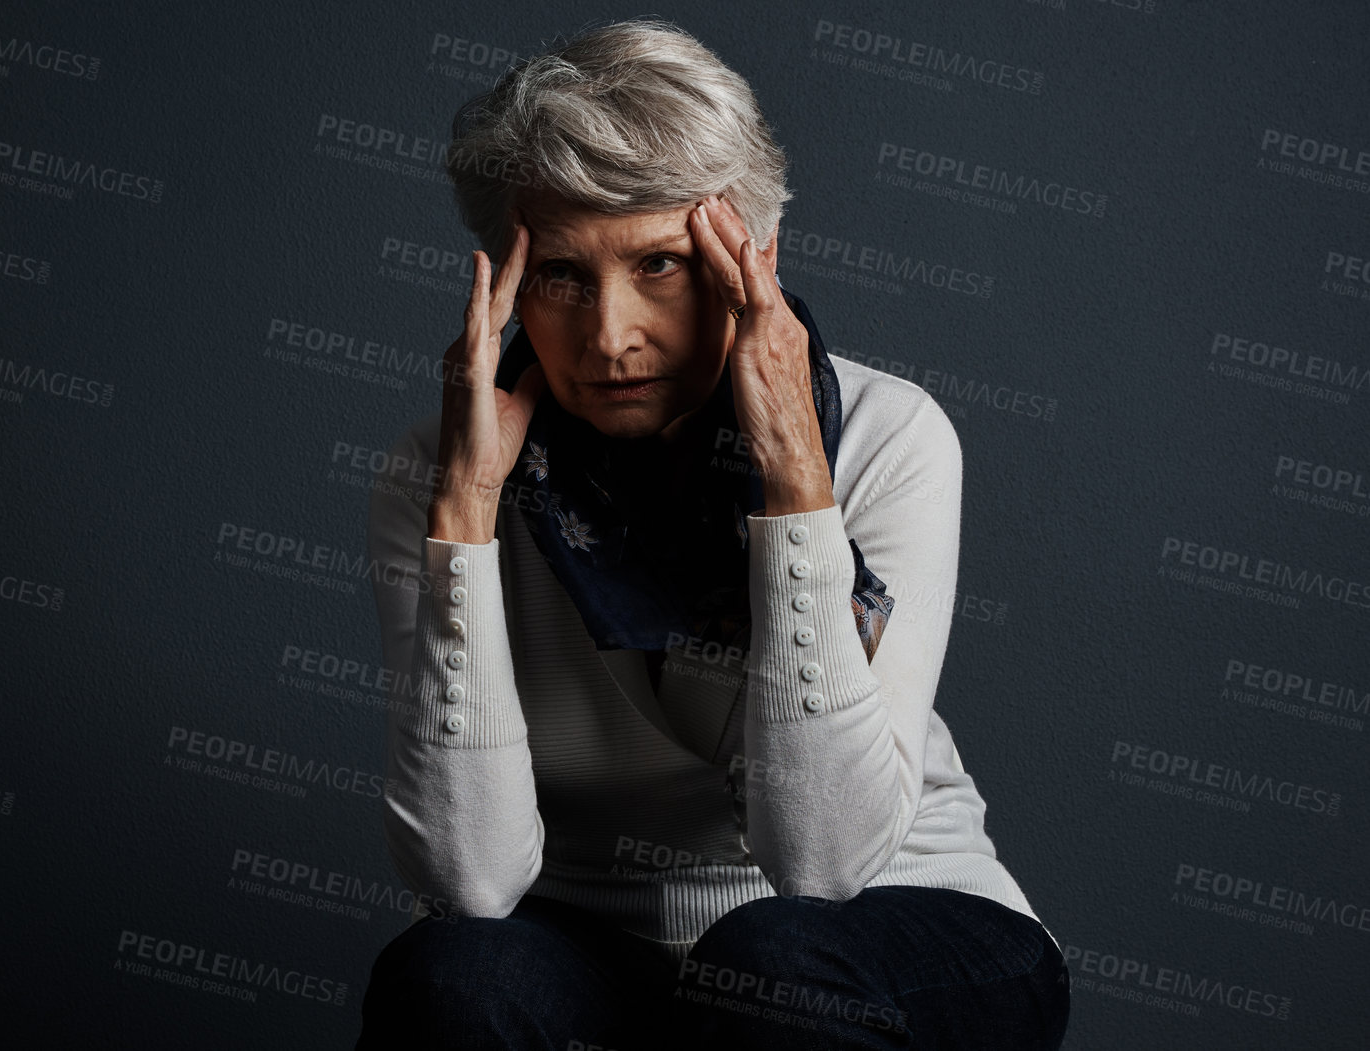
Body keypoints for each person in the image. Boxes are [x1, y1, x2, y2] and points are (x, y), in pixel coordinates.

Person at [354, 18, 1070, 1051]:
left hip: (885, 924)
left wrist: (791, 479)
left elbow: (821, 863)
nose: (609, 336)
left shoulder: (882, 435)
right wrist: (465, 512)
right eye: (560, 275)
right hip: (592, 945)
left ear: (751, 261)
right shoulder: (435, 473)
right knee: (446, 975)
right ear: (503, 287)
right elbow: (470, 880)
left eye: (659, 264)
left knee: (771, 969)